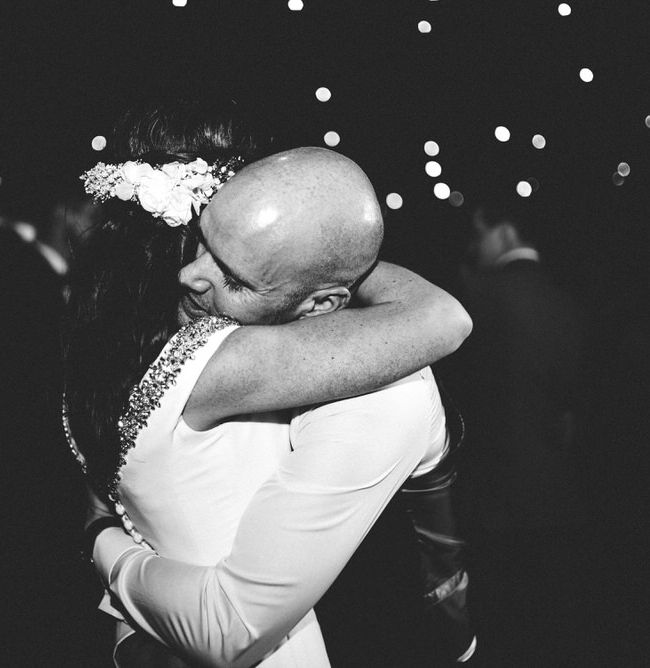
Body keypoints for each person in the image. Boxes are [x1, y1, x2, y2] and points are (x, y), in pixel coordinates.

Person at [65, 102, 472, 666]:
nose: (190, 275)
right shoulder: (211, 355)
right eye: (204, 238)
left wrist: (102, 541)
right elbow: (443, 317)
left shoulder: (112, 336)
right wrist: (307, 250)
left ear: (323, 301)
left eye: (234, 276)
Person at [452, 201, 587, 663]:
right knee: (550, 621)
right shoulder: (567, 297)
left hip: (490, 491)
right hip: (558, 484)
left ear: (505, 232)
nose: (474, 246)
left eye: (480, 233)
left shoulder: (477, 299)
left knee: (498, 624)